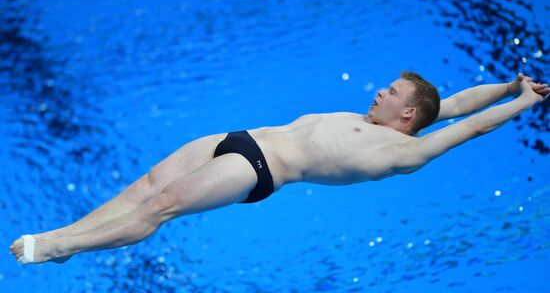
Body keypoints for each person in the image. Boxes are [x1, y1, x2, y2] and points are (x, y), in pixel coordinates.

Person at [10, 71, 549, 264]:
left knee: (161, 206)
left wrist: (525, 104)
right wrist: (508, 86)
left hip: (259, 169)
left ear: (407, 115)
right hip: (238, 137)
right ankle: (68, 236)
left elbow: (468, 125)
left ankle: (61, 248)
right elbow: (454, 105)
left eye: (390, 92)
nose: (378, 91)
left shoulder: (404, 150)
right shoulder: (390, 120)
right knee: (144, 186)